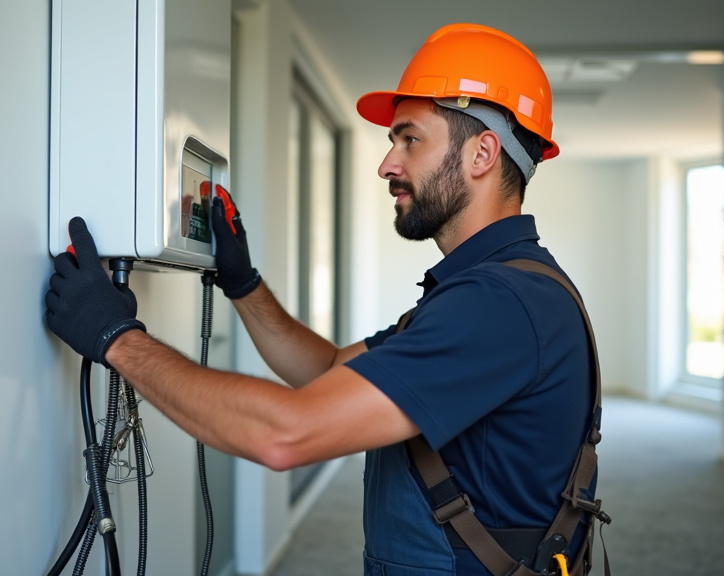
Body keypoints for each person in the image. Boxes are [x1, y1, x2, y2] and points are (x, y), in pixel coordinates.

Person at [46, 23, 601, 576]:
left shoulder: (498, 303)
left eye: (410, 138)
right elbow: (328, 370)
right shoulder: (492, 287)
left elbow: (285, 434)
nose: (387, 164)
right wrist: (243, 284)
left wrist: (116, 340)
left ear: (482, 154)